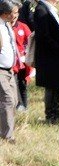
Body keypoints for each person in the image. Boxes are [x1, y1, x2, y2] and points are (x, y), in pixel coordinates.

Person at [32, 0, 59, 123]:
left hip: (55, 55)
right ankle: (51, 116)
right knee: (51, 86)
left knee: (56, 85)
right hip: (49, 56)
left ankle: (56, 113)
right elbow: (43, 36)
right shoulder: (41, 10)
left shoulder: (48, 9)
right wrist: (57, 47)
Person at [0, 1, 18, 141]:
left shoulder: (7, 25)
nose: (15, 15)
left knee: (14, 100)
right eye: (13, 12)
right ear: (5, 14)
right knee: (7, 100)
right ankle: (7, 136)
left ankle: (8, 129)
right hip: (0, 70)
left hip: (10, 70)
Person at [11, 2, 29, 110]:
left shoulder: (23, 26)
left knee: (23, 84)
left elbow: (30, 41)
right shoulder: (4, 27)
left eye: (16, 13)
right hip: (11, 63)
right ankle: (19, 105)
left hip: (23, 62)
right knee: (14, 84)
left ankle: (25, 106)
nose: (14, 16)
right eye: (12, 13)